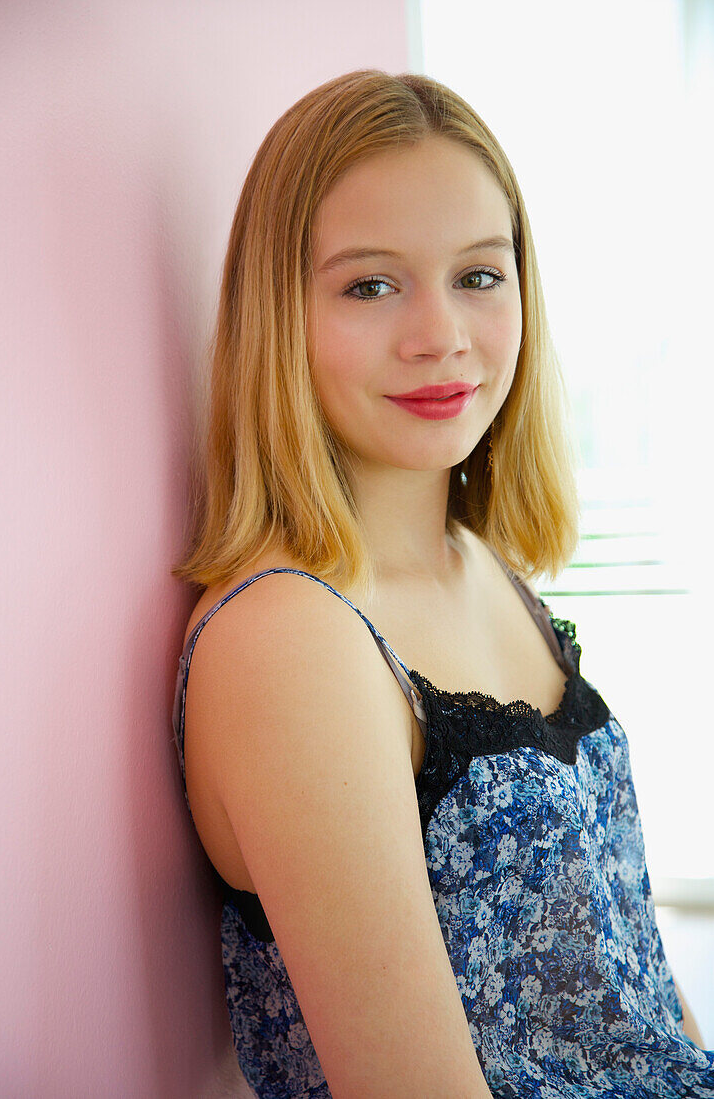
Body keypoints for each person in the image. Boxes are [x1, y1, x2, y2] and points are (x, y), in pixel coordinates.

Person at [171, 69, 714, 1098]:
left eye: (477, 274)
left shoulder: (488, 568)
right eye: (369, 285)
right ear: (277, 314)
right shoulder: (290, 635)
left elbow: (634, 997)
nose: (441, 335)